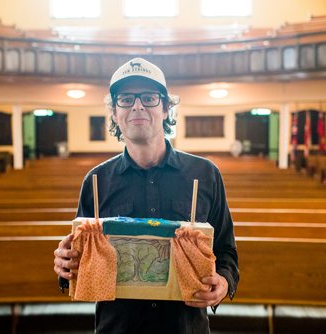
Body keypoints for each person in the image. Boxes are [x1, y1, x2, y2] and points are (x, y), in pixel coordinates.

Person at [54, 57, 239, 333]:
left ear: (165, 108)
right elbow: (80, 258)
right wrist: (66, 265)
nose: (138, 106)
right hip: (118, 327)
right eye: (126, 99)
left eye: (149, 98)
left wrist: (223, 283)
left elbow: (226, 252)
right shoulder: (96, 181)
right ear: (114, 113)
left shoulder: (206, 174)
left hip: (185, 327)